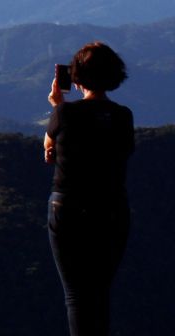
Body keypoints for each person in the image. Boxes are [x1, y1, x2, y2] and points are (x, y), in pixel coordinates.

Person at [43, 41, 134, 336]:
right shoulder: (123, 116)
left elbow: (48, 150)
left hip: (67, 208)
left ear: (76, 76)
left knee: (76, 295)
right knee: (100, 292)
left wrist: (58, 106)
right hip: (111, 210)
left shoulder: (64, 115)